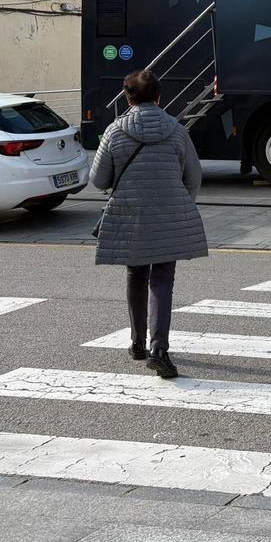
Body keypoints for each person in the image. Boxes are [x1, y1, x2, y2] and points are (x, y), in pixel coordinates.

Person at [91, 69, 207, 378]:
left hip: (130, 216)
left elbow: (98, 179)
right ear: (159, 96)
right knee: (163, 279)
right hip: (169, 216)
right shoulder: (177, 131)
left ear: (128, 99)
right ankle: (160, 350)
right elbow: (193, 177)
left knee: (136, 274)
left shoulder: (115, 131)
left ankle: (137, 343)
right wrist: (180, 203)